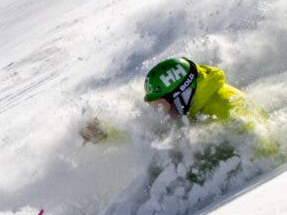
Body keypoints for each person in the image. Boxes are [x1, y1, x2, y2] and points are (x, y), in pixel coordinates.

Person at [80, 56, 274, 154]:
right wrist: (107, 133)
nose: (159, 112)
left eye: (161, 105)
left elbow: (265, 151)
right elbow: (151, 135)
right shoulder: (193, 106)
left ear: (181, 94)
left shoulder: (227, 109)